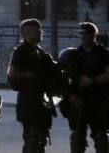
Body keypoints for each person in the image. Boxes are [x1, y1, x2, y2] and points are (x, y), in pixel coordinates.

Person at [7, 19, 65, 153]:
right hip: (29, 101)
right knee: (32, 139)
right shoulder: (21, 51)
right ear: (27, 33)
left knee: (41, 139)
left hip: (42, 101)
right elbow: (12, 74)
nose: (41, 32)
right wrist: (32, 75)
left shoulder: (40, 52)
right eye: (37, 30)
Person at [62, 22, 109, 153]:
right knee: (77, 139)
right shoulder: (73, 54)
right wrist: (70, 96)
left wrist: (92, 81)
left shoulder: (104, 53)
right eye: (81, 33)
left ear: (94, 35)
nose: (83, 36)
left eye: (87, 33)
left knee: (101, 137)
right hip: (78, 99)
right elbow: (63, 78)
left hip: (99, 99)